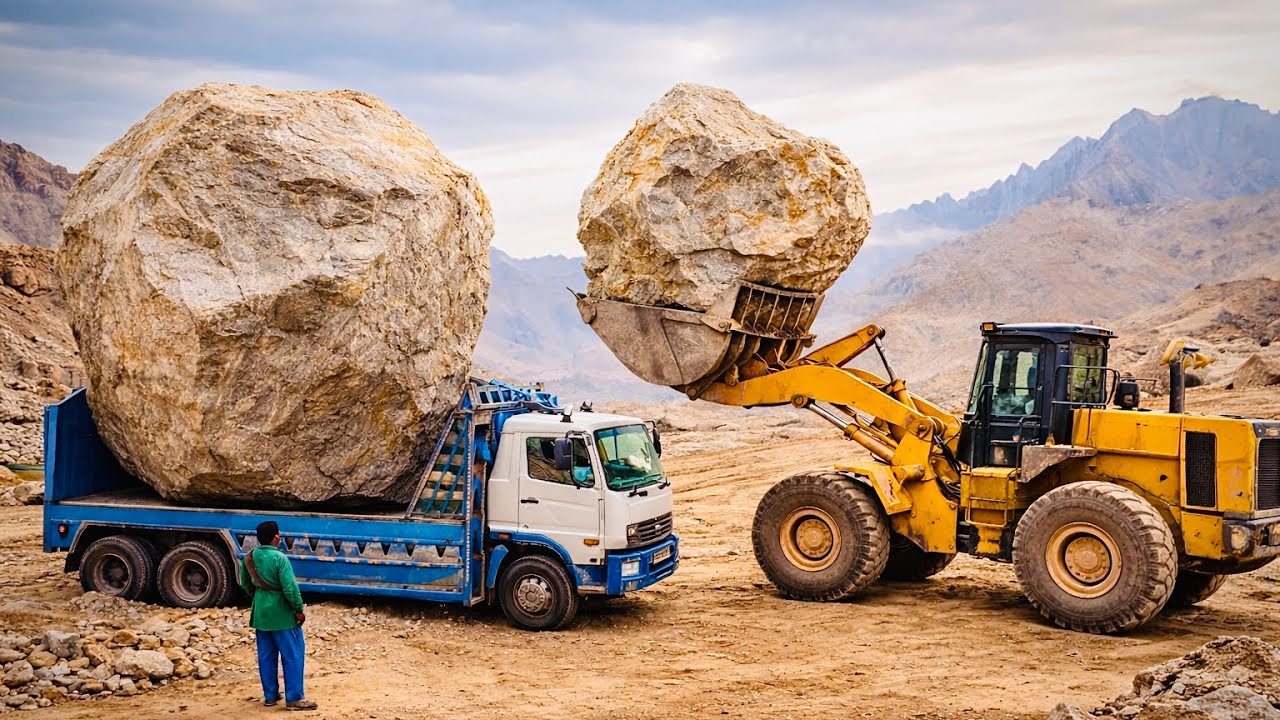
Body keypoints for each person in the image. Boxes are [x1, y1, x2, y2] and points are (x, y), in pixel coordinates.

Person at [239, 521, 317, 711]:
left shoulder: (249, 557)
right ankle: (294, 698)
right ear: (276, 537)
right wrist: (299, 609)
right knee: (292, 655)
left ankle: (270, 696)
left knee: (266, 656)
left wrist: (260, 598)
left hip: (261, 614)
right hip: (281, 614)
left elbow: (245, 584)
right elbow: (290, 588)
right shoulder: (279, 558)